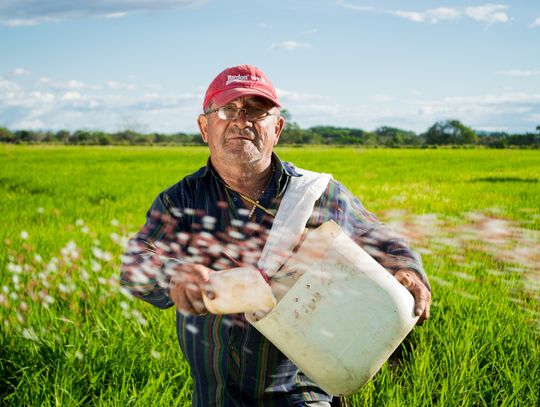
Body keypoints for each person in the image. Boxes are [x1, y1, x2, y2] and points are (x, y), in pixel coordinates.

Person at [120, 64, 431, 407]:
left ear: (277, 128)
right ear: (204, 127)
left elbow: (378, 236)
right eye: (226, 109)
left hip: (302, 392)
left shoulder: (315, 193)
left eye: (256, 110)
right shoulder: (181, 200)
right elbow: (135, 265)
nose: (242, 120)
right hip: (214, 396)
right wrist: (173, 274)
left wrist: (408, 270)